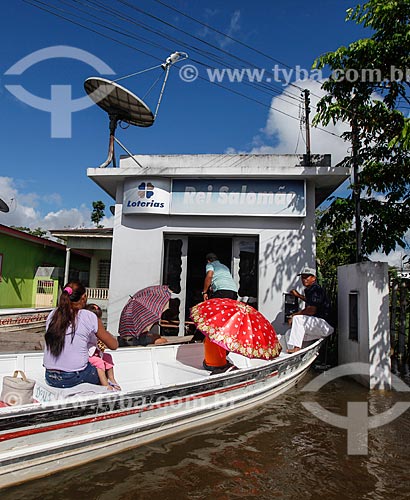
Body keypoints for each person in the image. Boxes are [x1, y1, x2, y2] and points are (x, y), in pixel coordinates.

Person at [43, 282, 118, 389]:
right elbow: (113, 345)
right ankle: (110, 390)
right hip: (74, 377)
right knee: (104, 366)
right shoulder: (88, 316)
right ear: (84, 297)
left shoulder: (52, 315)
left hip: (50, 377)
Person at [201, 253, 238, 373]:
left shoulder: (210, 265)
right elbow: (222, 280)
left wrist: (205, 291)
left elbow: (209, 276)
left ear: (208, 261)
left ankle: (216, 344)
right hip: (233, 292)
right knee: (226, 320)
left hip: (222, 292)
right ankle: (225, 346)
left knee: (214, 319)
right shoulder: (224, 267)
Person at [285, 267, 334, 353]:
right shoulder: (312, 289)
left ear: (314, 278)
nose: (304, 279)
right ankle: (292, 355)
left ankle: (296, 349)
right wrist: (299, 296)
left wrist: (294, 315)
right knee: (289, 333)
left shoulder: (315, 289)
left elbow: (311, 310)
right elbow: (312, 302)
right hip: (319, 325)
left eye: (307, 277)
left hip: (325, 324)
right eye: (302, 277)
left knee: (298, 319)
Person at [86, 303, 121, 390]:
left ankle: (112, 379)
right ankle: (105, 384)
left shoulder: (97, 328)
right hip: (87, 354)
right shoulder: (86, 329)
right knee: (99, 362)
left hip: (95, 352)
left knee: (108, 357)